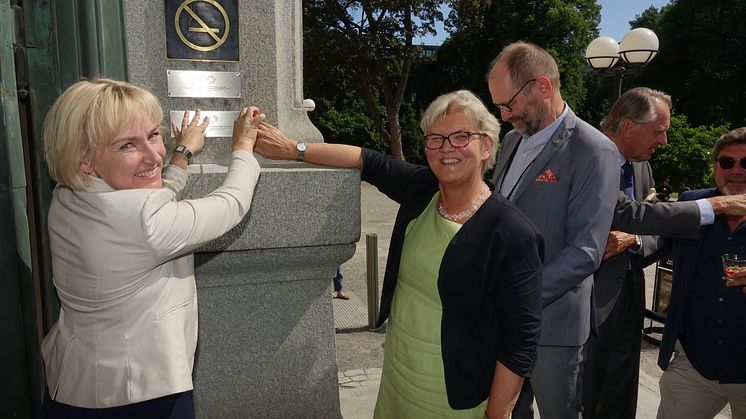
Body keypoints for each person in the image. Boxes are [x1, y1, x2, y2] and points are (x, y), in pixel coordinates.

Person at [256, 90, 544, 418]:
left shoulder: (511, 233)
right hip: (399, 377)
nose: (447, 148)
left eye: (461, 136)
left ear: (486, 146)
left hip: (456, 397)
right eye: (435, 138)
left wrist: (497, 414)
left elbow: (520, 341)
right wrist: (293, 149)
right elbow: (367, 159)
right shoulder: (422, 188)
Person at [40, 78, 263, 417]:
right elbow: (231, 203)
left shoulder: (69, 196)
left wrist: (181, 154)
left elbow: (148, 202)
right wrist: (244, 146)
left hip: (72, 387)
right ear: (84, 159)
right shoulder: (144, 222)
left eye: (153, 134)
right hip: (140, 397)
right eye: (127, 145)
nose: (153, 154)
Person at [487, 41, 620, 418]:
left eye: (508, 104)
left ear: (542, 87)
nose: (503, 115)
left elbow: (586, 252)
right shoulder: (512, 140)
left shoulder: (595, 150)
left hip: (554, 329)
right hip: (503, 320)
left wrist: (514, 297)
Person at [653, 127, 746, 419]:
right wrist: (629, 239)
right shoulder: (694, 203)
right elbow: (657, 240)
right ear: (715, 166)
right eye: (727, 162)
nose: (737, 171)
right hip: (694, 366)